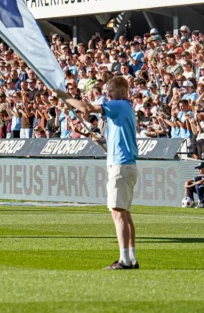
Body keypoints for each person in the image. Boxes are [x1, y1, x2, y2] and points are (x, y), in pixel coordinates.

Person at [59, 76, 139, 270]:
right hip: (126, 164)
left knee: (118, 213)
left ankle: (125, 260)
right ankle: (131, 258)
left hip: (120, 166)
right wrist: (104, 142)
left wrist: (64, 96)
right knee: (125, 214)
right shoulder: (123, 108)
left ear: (119, 92)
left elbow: (86, 108)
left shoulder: (119, 104)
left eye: (109, 92)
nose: (106, 96)